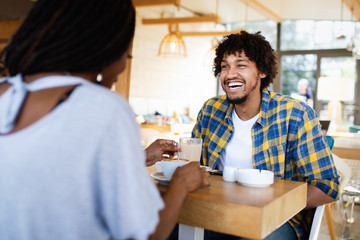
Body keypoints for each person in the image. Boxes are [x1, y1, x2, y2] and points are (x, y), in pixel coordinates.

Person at [0, 1, 210, 240]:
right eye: (126, 54)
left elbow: (50, 165)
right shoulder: (103, 108)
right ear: (105, 48)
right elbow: (148, 234)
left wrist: (138, 157)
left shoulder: (6, 93)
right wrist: (181, 185)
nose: (122, 66)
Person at [192, 31, 339, 240]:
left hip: (278, 220)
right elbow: (193, 168)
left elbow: (327, 186)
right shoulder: (210, 110)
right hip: (215, 211)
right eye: (225, 66)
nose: (230, 74)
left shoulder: (295, 114)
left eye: (241, 65)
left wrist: (271, 206)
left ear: (261, 70)